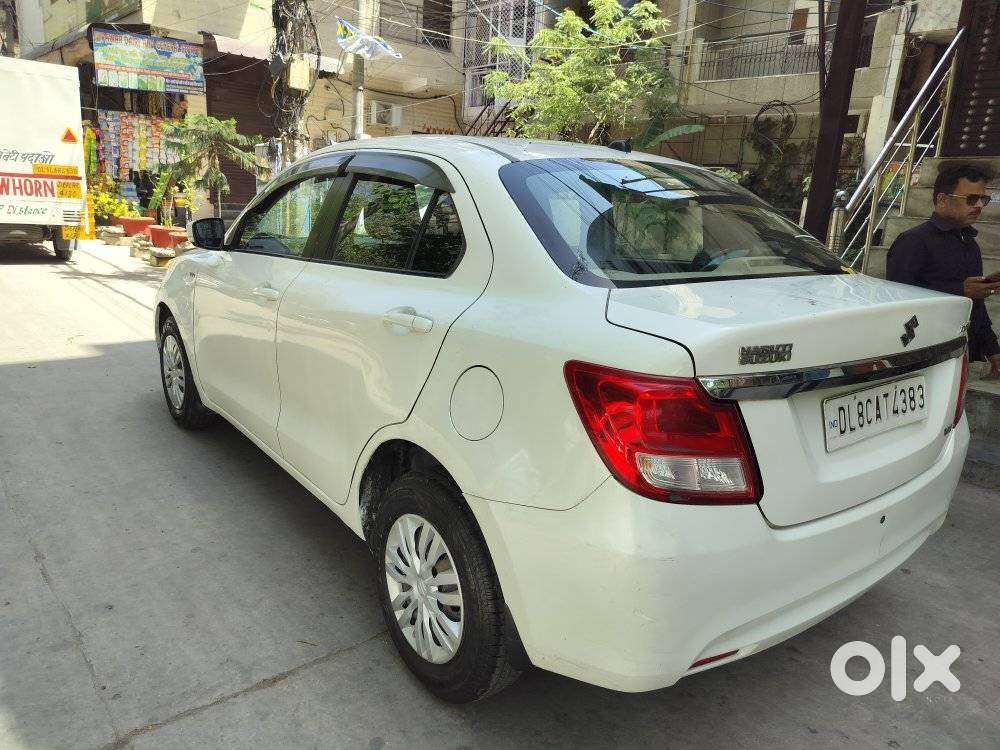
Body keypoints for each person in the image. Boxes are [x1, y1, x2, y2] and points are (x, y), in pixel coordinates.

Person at [886, 162, 998, 377]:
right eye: (971, 199)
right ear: (943, 200)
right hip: (921, 352)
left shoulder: (970, 244)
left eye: (983, 199)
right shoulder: (914, 241)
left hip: (958, 349)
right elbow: (897, 299)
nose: (978, 206)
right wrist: (960, 290)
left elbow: (976, 307)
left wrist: (992, 349)